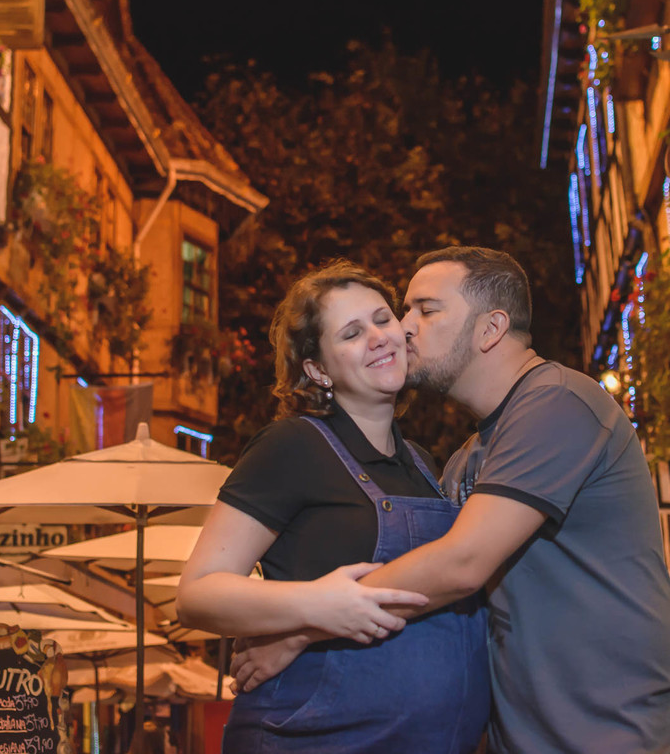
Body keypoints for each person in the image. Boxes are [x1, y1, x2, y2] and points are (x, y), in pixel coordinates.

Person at [232, 246, 670, 754]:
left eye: (426, 310)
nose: (404, 327)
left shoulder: (558, 402)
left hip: (619, 734)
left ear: (490, 328)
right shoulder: (464, 460)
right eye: (405, 309)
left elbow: (462, 564)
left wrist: (303, 626)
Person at [177, 259, 490, 753]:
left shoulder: (424, 464)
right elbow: (197, 594)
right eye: (350, 333)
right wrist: (316, 608)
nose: (378, 337)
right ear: (318, 370)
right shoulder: (292, 447)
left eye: (383, 319)